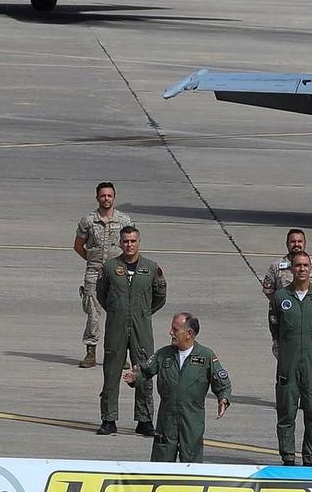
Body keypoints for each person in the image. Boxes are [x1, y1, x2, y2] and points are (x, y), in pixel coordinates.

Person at [126, 312, 231, 462]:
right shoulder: (163, 354)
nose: (170, 332)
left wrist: (224, 399)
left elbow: (223, 384)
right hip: (167, 419)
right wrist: (135, 378)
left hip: (192, 419)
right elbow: (145, 371)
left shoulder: (206, 356)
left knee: (191, 464)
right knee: (161, 462)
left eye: (175, 330)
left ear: (189, 333)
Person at [95, 226, 166, 436]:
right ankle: (108, 418)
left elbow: (160, 296)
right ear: (120, 242)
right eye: (125, 241)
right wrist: (118, 311)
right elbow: (102, 295)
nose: (129, 245)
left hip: (141, 328)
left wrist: (143, 312)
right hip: (116, 327)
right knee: (111, 372)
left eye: (133, 241)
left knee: (144, 371)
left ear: (139, 242)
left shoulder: (151, 268)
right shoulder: (109, 267)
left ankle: (144, 419)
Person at [267, 251, 312, 465]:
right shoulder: (281, 298)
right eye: (298, 265)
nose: (302, 269)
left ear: (311, 269)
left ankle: (309, 457)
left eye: (306, 265)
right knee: (286, 412)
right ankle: (287, 457)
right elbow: (275, 327)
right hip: (288, 364)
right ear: (291, 269)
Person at [73, 181, 135, 369]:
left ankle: (118, 354)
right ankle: (90, 352)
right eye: (102, 195)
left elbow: (131, 247)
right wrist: (93, 262)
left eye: (109, 195)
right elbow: (78, 246)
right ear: (97, 197)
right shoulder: (88, 221)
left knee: (119, 315)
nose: (106, 199)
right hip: (94, 273)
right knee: (93, 313)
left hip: (118, 273)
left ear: (114, 197)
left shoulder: (124, 220)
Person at [260, 228, 312, 299]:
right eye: (293, 241)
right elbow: (268, 291)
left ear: (305, 243)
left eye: (300, 241)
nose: (296, 244)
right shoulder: (276, 266)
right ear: (287, 244)